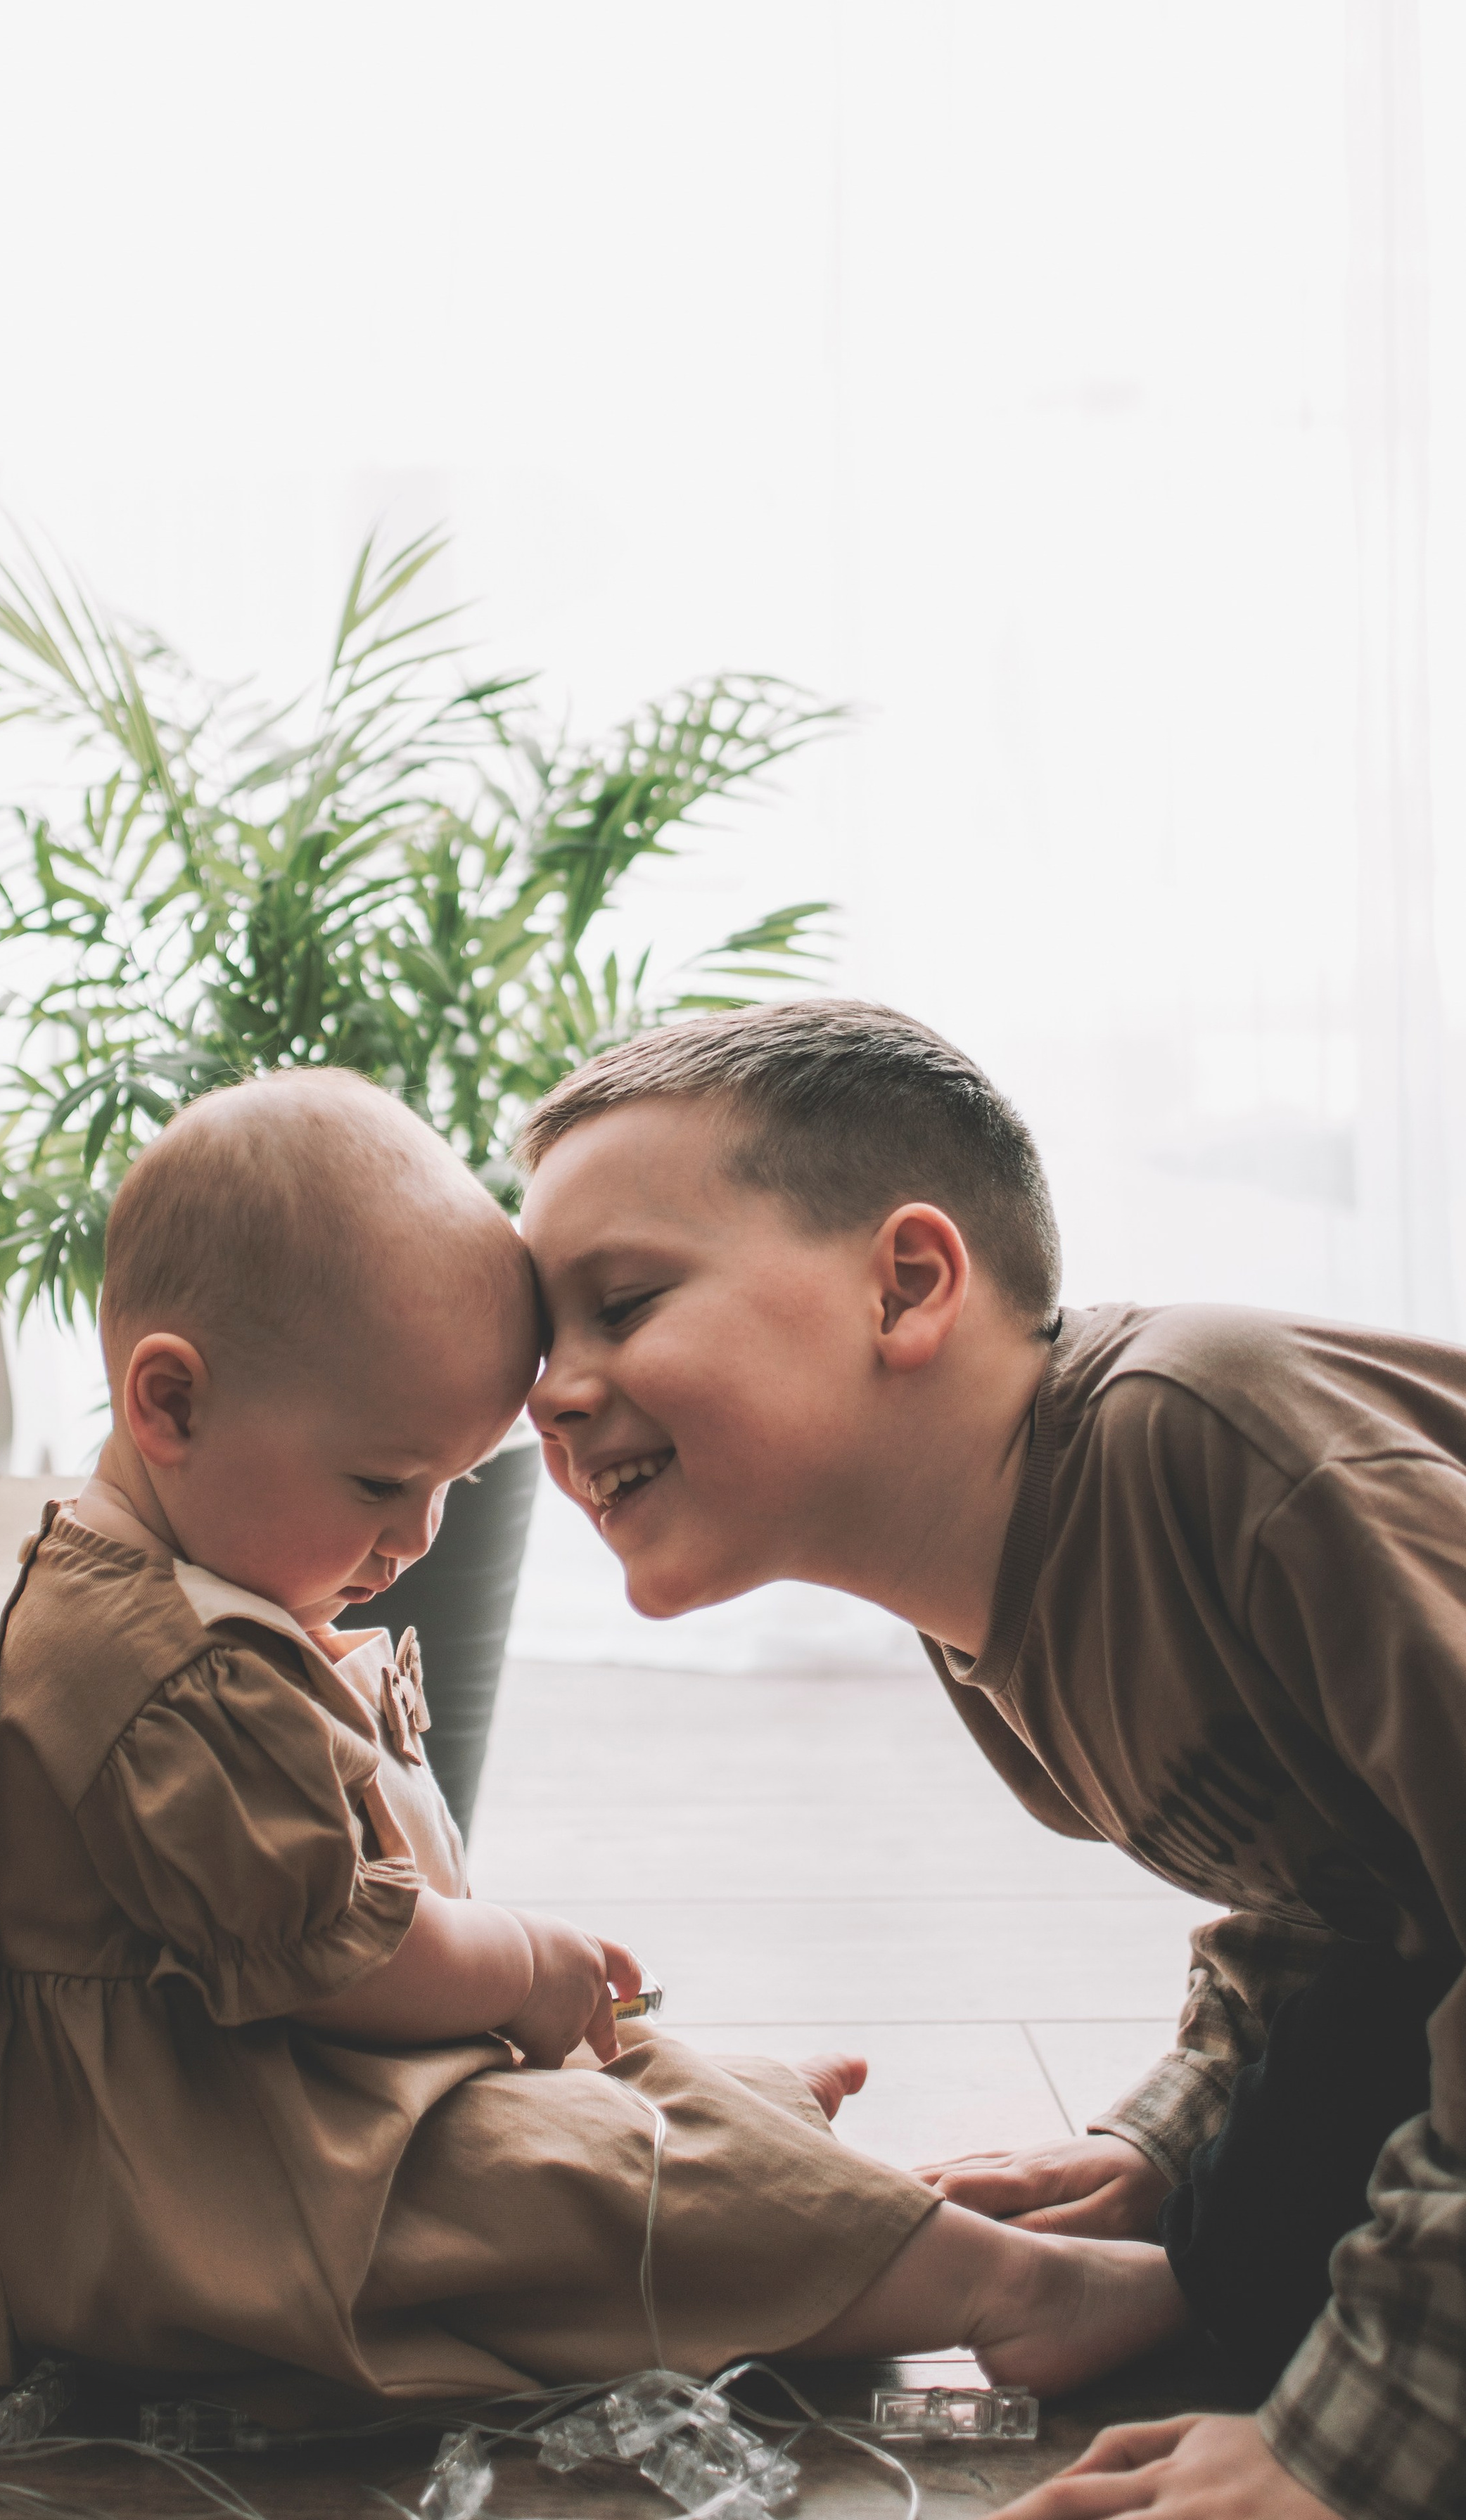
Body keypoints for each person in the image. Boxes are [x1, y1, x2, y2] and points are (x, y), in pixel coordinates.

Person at [0, 1066, 1176, 2403]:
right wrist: (517, 1966)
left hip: (310, 2126)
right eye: (382, 1483)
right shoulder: (163, 1666)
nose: (417, 1539)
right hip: (227, 2213)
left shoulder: (189, 1589)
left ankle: (799, 2187)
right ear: (173, 1407)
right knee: (606, 2182)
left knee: (621, 2112)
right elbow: (341, 1962)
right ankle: (1009, 2291)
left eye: (448, 1486)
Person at [516, 1000, 1466, 2520]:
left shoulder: (1203, 1440)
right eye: (543, 1340)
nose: (553, 1391)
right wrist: (1173, 2152)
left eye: (620, 1305)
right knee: (1321, 2103)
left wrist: (1336, 2453)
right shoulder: (988, 1618)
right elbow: (1343, 1885)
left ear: (905, 1283)